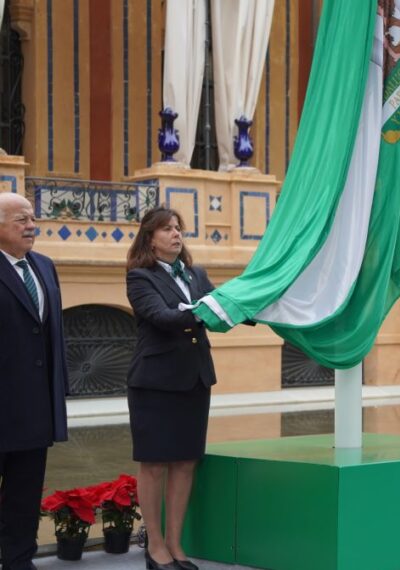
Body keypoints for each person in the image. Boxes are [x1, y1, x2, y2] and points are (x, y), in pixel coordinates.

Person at [126, 206, 217, 570]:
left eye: (179, 228)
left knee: (184, 463)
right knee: (154, 465)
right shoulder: (140, 277)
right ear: (150, 237)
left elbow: (224, 306)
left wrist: (258, 303)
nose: (176, 234)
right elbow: (164, 317)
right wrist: (207, 308)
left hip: (195, 377)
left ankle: (177, 545)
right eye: (167, 229)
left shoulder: (197, 274)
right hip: (155, 384)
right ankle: (156, 546)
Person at [0, 192, 69, 570]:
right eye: (21, 220)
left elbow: (50, 336)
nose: (31, 226)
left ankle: (19, 561)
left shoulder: (44, 266)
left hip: (34, 409)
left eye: (31, 218)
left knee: (24, 496)